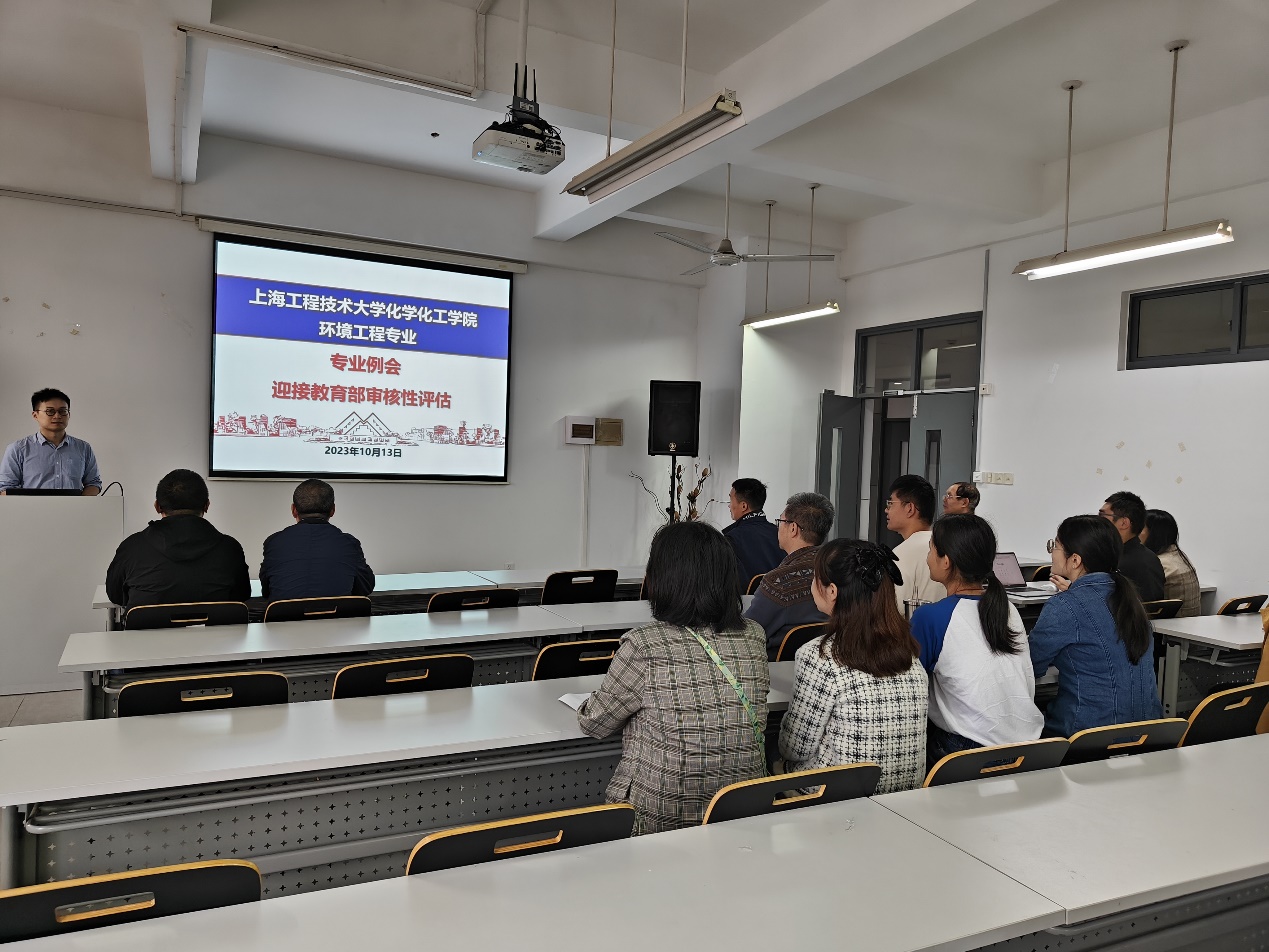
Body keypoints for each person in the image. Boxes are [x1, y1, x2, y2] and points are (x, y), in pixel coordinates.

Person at [577, 521, 769, 834]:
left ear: (662, 578)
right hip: (742, 807)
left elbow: (595, 723)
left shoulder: (643, 644)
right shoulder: (754, 635)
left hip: (664, 815)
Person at [778, 538, 928, 793]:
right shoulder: (910, 655)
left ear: (832, 591)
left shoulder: (819, 656)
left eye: (815, 578)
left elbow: (795, 748)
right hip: (904, 797)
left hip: (836, 799)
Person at [912, 514, 1043, 767]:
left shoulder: (932, 616)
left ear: (946, 561)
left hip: (971, 751)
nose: (928, 557)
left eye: (931, 549)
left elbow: (909, 685)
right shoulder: (1007, 609)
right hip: (1029, 746)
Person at [1029, 515, 1162, 736]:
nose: (1052, 552)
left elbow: (1030, 666)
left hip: (1088, 736)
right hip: (1148, 732)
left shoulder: (1064, 606)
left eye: (1055, 545)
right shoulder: (1129, 599)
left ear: (1075, 560)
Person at [105, 469, 251, 610]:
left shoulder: (132, 547)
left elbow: (115, 595)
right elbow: (241, 595)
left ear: (157, 506)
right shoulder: (230, 549)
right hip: (217, 629)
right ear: (207, 505)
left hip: (149, 628)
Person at [744, 492, 835, 660]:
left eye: (780, 522)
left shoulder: (778, 582)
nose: (778, 528)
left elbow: (747, 634)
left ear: (793, 528)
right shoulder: (841, 570)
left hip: (777, 670)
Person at [260, 479, 375, 602]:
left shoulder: (274, 543)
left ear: (293, 510)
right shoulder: (350, 543)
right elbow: (365, 588)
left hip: (285, 615)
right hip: (337, 615)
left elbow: (266, 591)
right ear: (333, 510)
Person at [0, 388, 102, 495]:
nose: (57, 416)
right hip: (32, 506)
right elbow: (6, 488)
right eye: (50, 411)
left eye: (63, 411)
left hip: (73, 506)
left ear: (69, 414)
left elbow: (93, 483)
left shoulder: (83, 448)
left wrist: (80, 503)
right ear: (35, 415)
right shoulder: (18, 449)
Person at [886, 475, 946, 615]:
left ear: (910, 508)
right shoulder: (944, 544)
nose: (886, 510)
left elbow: (895, 609)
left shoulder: (901, 553)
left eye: (890, 503)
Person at [1098, 491, 1165, 602]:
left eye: (1102, 515)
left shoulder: (1123, 564)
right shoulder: (1147, 556)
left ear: (1124, 523)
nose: (1097, 521)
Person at [721, 477, 783, 589]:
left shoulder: (732, 539)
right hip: (782, 598)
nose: (729, 506)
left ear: (743, 506)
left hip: (749, 600)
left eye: (731, 500)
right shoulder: (781, 534)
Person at [1140, 509, 1200, 617]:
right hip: (1190, 622)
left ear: (1154, 533)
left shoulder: (1159, 562)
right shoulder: (1178, 555)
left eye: (1140, 528)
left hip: (1170, 625)